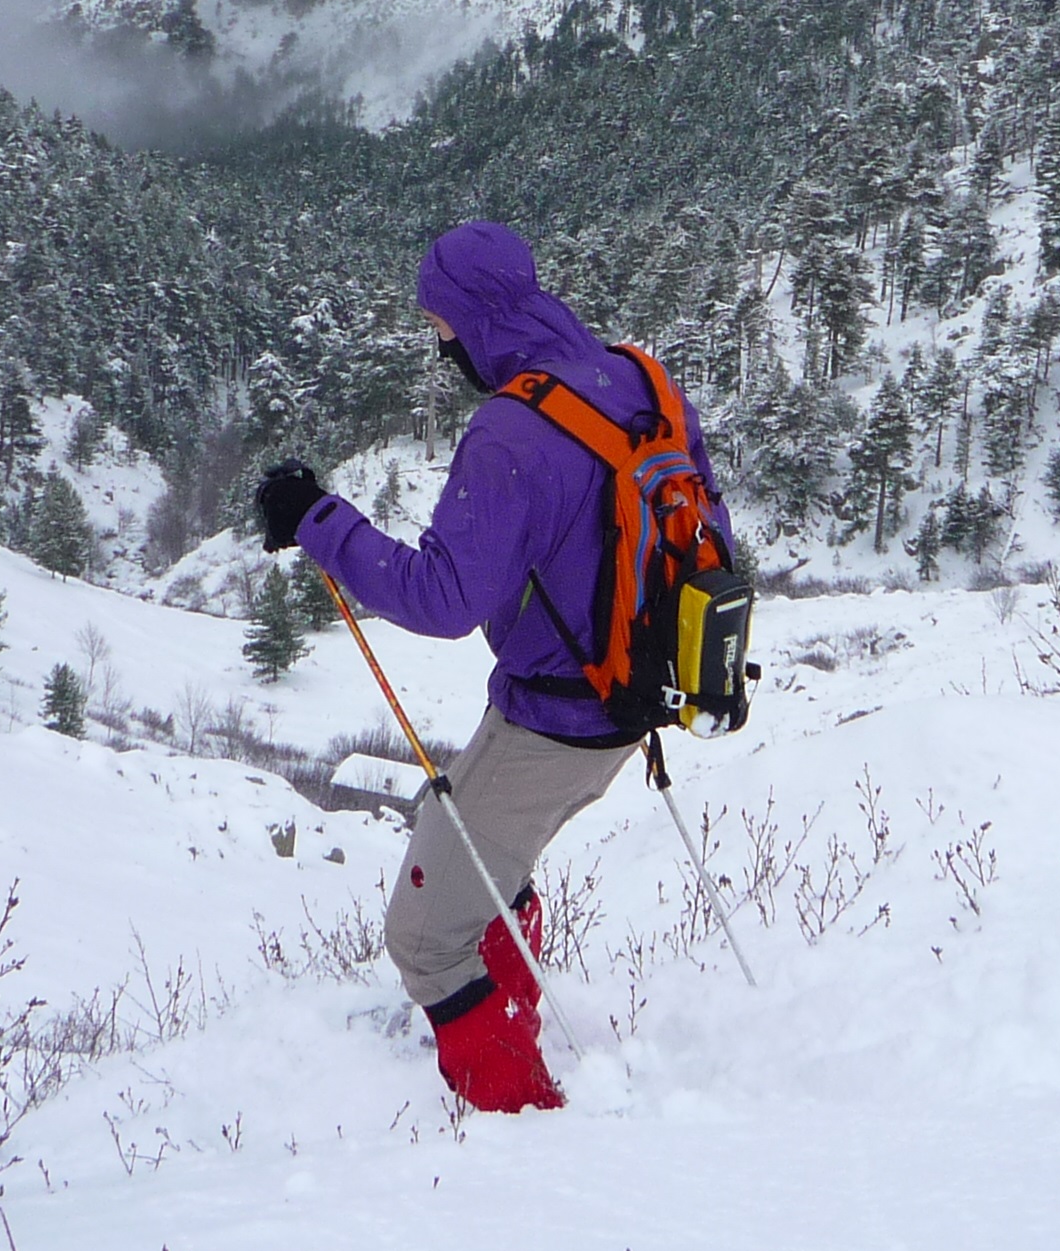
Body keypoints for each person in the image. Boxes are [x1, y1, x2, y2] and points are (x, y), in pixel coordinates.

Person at [257, 220, 737, 1114]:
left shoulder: (511, 431)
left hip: (557, 720)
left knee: (423, 940)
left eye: (439, 329)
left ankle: (521, 1122)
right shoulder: (643, 379)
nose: (439, 348)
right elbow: (711, 537)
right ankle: (509, 1002)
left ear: (471, 320)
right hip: (635, 700)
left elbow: (443, 600)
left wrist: (319, 520)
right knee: (489, 850)